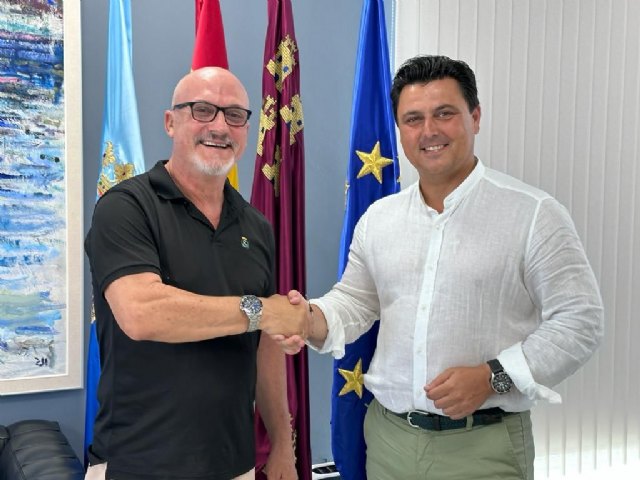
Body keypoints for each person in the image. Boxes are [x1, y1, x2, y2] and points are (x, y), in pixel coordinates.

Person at [275, 55, 604, 480]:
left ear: (475, 117)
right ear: (400, 129)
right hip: (389, 442)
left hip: (483, 447)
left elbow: (581, 321)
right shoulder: (379, 219)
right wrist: (309, 318)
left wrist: (493, 377)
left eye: (444, 113)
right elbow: (355, 302)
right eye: (413, 119)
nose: (428, 131)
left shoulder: (533, 214)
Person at [84, 67, 308, 480]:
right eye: (203, 110)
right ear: (171, 122)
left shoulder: (256, 227)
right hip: (138, 464)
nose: (219, 127)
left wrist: (281, 444)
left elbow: (266, 348)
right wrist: (261, 310)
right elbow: (142, 314)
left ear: (247, 131)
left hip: (234, 463)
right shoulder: (125, 208)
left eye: (234, 115)